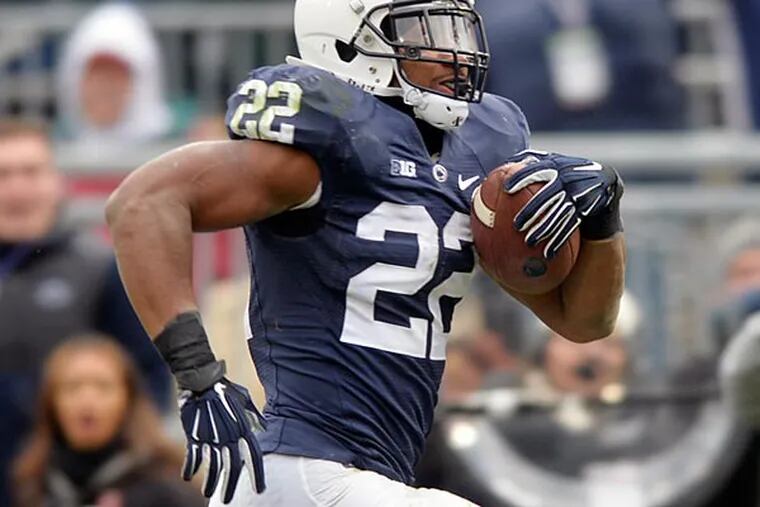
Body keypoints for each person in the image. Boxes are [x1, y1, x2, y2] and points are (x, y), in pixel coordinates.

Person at [105, 0, 626, 505]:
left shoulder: (473, 157)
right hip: (303, 469)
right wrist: (197, 375)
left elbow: (583, 323)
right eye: (423, 33)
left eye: (456, 29)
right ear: (349, 43)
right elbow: (141, 204)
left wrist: (603, 219)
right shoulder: (327, 143)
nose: (452, 51)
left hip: (355, 477)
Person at [0, 119, 171, 505]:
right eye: (3, 174)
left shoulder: (98, 269)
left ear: (57, 183)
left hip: (71, 489)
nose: (17, 188)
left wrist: (127, 481)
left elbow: (148, 380)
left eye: (30, 172)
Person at [13, 335, 205, 507]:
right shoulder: (35, 483)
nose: (87, 401)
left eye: (103, 387)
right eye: (72, 387)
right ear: (51, 402)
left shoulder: (166, 487)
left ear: (128, 399)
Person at [56, 2, 173, 146]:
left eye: (115, 77)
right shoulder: (49, 146)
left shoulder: (173, 149)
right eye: (95, 76)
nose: (104, 88)